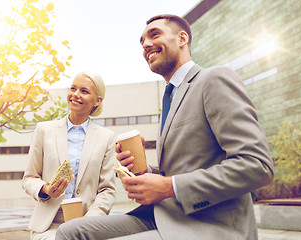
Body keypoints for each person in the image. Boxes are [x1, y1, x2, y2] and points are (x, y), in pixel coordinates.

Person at [56, 14, 274, 240]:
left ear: (182, 39)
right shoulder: (170, 97)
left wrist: (169, 186)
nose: (146, 45)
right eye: (141, 41)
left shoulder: (213, 79)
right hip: (165, 215)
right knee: (69, 231)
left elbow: (257, 165)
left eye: (154, 34)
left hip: (209, 225)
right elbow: (178, 172)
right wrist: (145, 173)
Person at [22, 71, 116, 240]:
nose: (75, 95)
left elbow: (107, 190)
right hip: (49, 225)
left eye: (84, 91)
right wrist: (45, 189)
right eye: (73, 88)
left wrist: (88, 222)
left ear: (97, 100)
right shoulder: (44, 130)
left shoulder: (107, 138)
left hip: (87, 224)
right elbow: (29, 178)